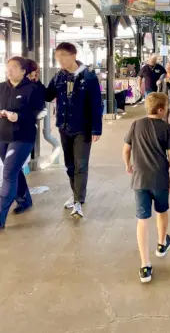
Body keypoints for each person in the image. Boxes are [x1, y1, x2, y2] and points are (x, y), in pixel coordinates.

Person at [122, 93, 170, 283]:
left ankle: (145, 265)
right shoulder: (168, 129)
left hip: (139, 181)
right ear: (161, 110)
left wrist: (127, 164)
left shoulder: (136, 125)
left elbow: (126, 149)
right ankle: (162, 244)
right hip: (160, 180)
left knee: (142, 220)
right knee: (162, 211)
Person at [45, 42, 103, 219]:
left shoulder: (89, 76)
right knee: (69, 164)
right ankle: (76, 194)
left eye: (63, 56)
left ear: (73, 55)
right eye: (57, 57)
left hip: (82, 128)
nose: (60, 61)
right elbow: (48, 95)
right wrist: (33, 82)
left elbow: (96, 104)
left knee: (80, 164)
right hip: (64, 127)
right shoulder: (59, 76)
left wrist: (96, 129)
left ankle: (78, 201)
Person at [0, 57, 45, 229]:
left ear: (23, 71)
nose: (9, 70)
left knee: (9, 173)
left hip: (22, 137)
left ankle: (1, 217)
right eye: (7, 67)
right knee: (14, 169)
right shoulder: (1, 87)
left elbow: (37, 112)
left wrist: (18, 116)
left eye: (13, 67)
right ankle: (24, 199)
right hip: (3, 135)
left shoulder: (32, 89)